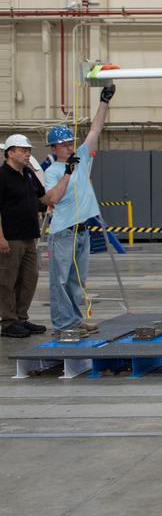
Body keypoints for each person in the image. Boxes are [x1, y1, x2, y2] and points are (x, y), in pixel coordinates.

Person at [42, 83, 115, 335]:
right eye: (63, 145)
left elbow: (95, 129)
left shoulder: (82, 158)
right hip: (63, 232)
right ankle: (63, 326)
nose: (68, 147)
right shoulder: (51, 171)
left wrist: (104, 101)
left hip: (83, 231)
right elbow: (52, 198)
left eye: (69, 143)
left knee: (76, 282)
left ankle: (73, 321)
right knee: (60, 281)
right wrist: (67, 172)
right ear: (53, 149)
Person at [0, 134, 53, 337]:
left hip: (29, 236)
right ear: (10, 153)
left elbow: (44, 198)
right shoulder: (2, 176)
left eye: (28, 150)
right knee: (7, 280)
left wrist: (68, 182)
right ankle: (8, 322)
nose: (27, 154)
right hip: (10, 238)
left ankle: (21, 318)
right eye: (23, 151)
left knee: (29, 278)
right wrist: (1, 238)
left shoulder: (28, 175)